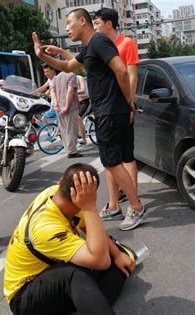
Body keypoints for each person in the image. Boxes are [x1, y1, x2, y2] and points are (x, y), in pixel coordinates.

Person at [32, 8, 148, 231]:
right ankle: (116, 208)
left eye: (69, 22)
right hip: (114, 111)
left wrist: (129, 101)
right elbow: (66, 66)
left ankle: (136, 207)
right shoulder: (90, 47)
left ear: (82, 21)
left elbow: (122, 72)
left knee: (113, 163)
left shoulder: (99, 41)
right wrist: (43, 55)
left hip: (110, 112)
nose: (66, 28)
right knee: (118, 160)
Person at [4, 163, 136, 314]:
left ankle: (86, 302)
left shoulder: (55, 192)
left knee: (117, 256)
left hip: (52, 272)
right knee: (76, 273)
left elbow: (89, 227)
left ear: (61, 181)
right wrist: (90, 207)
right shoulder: (45, 227)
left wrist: (118, 254)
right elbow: (101, 261)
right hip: (25, 297)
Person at [93, 8, 140, 221]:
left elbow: (131, 76)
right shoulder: (100, 45)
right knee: (110, 161)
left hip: (121, 108)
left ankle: (133, 202)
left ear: (108, 24)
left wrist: (130, 104)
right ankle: (114, 205)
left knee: (125, 157)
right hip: (108, 109)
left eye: (97, 23)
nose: (95, 28)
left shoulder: (126, 43)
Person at [53, 70, 83, 158]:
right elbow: (70, 91)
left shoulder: (57, 77)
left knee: (64, 130)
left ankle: (68, 149)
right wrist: (67, 106)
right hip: (70, 106)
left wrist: (56, 104)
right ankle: (72, 152)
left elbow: (52, 92)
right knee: (71, 129)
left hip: (59, 106)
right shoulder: (71, 75)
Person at [76, 74, 89, 145]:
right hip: (77, 103)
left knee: (78, 118)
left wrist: (73, 91)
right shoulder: (68, 80)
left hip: (86, 102)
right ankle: (78, 134)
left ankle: (84, 139)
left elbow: (83, 90)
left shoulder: (79, 78)